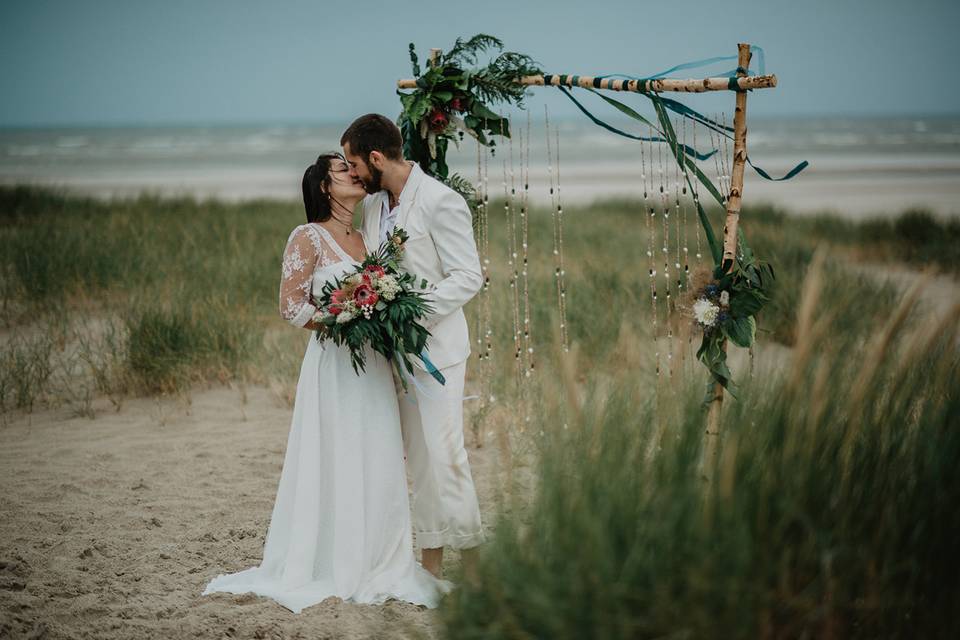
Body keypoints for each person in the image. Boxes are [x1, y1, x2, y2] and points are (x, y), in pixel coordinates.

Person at [201, 153, 449, 614]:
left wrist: (376, 319)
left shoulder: (368, 234)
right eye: (343, 172)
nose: (354, 175)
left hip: (374, 364)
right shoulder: (307, 236)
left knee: (377, 450)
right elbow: (291, 306)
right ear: (323, 188)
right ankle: (332, 558)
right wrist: (348, 319)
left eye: (353, 168)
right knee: (335, 450)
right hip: (335, 363)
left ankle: (379, 556)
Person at [341, 114, 485, 579]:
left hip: (439, 349)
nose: (352, 173)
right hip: (397, 356)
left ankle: (477, 564)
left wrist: (408, 309)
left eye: (354, 163)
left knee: (447, 456)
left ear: (376, 158)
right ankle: (433, 567)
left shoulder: (442, 201)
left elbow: (468, 277)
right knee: (420, 462)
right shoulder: (373, 207)